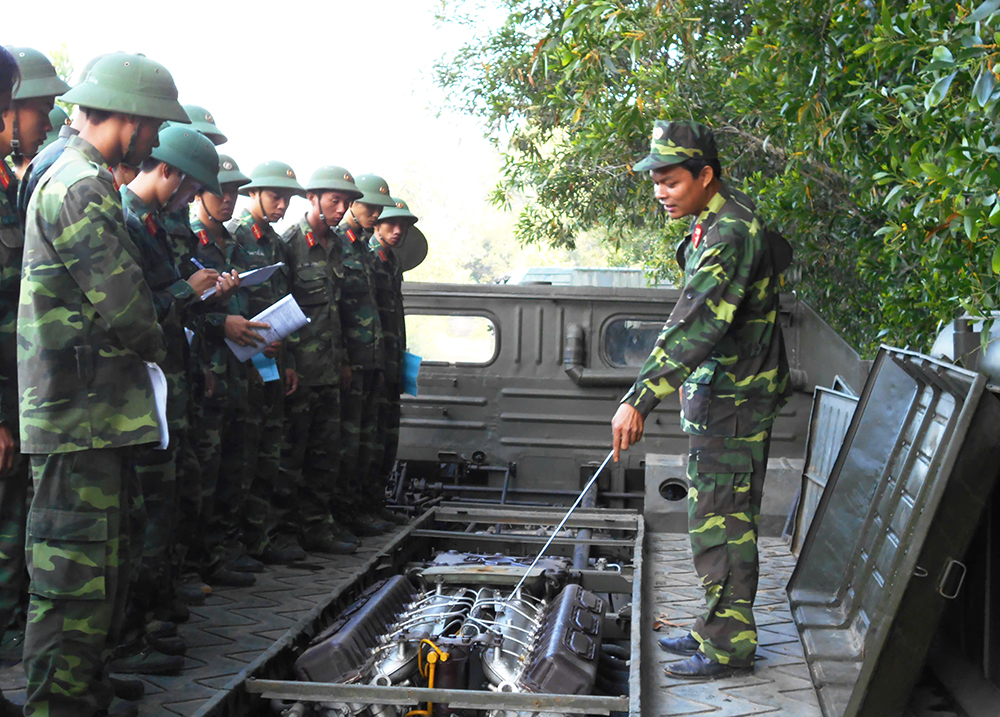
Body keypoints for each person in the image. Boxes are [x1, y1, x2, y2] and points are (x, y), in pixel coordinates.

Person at [17, 51, 189, 716]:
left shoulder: (75, 174)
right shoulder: (80, 185)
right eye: (152, 127)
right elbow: (127, 306)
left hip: (93, 416)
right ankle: (59, 703)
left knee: (99, 571)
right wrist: (163, 342)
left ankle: (81, 689)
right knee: (73, 580)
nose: (153, 142)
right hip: (77, 418)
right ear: (130, 120)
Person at [610, 120, 790, 680]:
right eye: (655, 182)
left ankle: (729, 647)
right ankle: (716, 626)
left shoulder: (729, 232)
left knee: (722, 522)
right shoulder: (721, 220)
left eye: (671, 181)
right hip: (726, 395)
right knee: (715, 518)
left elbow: (695, 326)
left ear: (705, 175)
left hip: (734, 400)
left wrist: (639, 398)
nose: (660, 193)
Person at [113, 124, 225, 672]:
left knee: (164, 509)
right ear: (169, 172)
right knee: (144, 518)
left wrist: (204, 292)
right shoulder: (126, 220)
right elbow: (131, 310)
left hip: (167, 388)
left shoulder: (155, 225)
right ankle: (131, 634)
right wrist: (189, 290)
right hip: (139, 394)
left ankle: (148, 619)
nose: (190, 202)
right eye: (188, 189)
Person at [278, 166, 363, 555]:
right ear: (312, 199)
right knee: (291, 454)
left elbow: (338, 310)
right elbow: (280, 311)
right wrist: (289, 363)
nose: (341, 208)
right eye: (334, 200)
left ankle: (317, 527)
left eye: (346, 202)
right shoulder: (290, 243)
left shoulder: (339, 247)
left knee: (326, 454)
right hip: (300, 372)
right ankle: (283, 532)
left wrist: (343, 360)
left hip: (329, 369)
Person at [226, 161, 302, 569]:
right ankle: (232, 543)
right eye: (275, 196)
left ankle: (259, 537)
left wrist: (287, 361)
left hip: (273, 364)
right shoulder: (236, 237)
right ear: (253, 194)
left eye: (287, 198)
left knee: (268, 454)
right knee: (242, 456)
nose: (283, 205)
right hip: (244, 364)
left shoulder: (275, 243)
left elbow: (281, 306)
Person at [338, 174, 395, 538]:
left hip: (371, 360)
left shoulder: (361, 247)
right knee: (344, 444)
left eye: (378, 208)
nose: (374, 213)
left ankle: (357, 510)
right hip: (347, 363)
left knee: (364, 443)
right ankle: (341, 515)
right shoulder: (339, 244)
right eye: (369, 206)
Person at [368, 197, 416, 525]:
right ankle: (358, 508)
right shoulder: (367, 257)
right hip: (369, 363)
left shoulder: (390, 261)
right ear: (375, 222)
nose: (397, 231)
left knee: (385, 439)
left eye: (403, 226)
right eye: (391, 223)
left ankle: (372, 504)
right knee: (366, 440)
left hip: (389, 362)